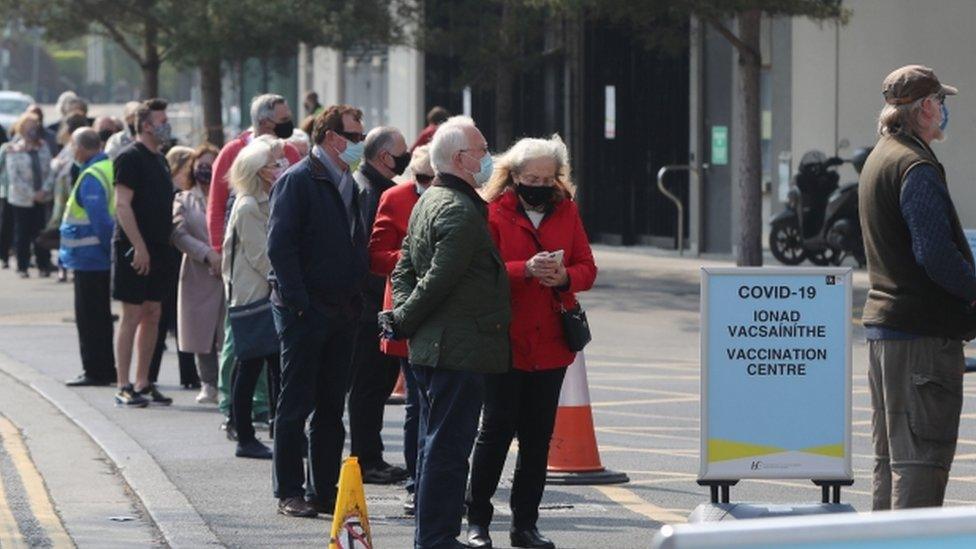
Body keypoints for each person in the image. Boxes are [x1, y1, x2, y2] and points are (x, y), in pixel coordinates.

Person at [465, 135, 596, 549]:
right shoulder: (492, 213)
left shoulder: (567, 210)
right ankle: (478, 522)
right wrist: (525, 269)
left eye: (547, 177)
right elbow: (480, 274)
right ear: (514, 175)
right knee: (495, 433)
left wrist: (566, 277)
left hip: (552, 345)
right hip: (504, 342)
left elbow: (587, 267)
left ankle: (525, 525)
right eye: (530, 176)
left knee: (538, 441)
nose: (539, 184)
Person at [388, 115, 511, 548]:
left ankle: (431, 535)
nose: (488, 158)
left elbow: (403, 269)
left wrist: (404, 315)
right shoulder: (458, 210)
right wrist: (404, 318)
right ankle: (437, 538)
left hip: (435, 347)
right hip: (455, 350)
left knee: (432, 445)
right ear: (461, 158)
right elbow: (435, 279)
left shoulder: (430, 198)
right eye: (482, 150)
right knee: (447, 450)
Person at [860, 65, 976, 510]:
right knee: (920, 465)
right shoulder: (916, 166)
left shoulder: (880, 157)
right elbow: (936, 254)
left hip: (887, 334)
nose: (944, 111)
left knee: (890, 462)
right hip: (921, 341)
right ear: (925, 108)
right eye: (941, 103)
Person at [267, 103, 368, 518]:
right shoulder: (298, 180)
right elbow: (280, 247)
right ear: (332, 137)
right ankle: (289, 490)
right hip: (306, 311)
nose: (360, 145)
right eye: (356, 137)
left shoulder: (350, 181)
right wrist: (300, 304)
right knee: (295, 404)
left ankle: (324, 490)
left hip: (342, 310)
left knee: (330, 406)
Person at [368, 144, 435, 515]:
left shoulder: (464, 198)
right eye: (421, 178)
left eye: (433, 177)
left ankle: (438, 478)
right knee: (417, 404)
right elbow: (377, 257)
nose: (427, 184)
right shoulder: (394, 198)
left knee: (443, 404)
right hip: (409, 310)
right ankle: (416, 481)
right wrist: (414, 254)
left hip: (449, 315)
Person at [350, 126, 412, 485]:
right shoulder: (377, 193)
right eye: (401, 153)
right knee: (371, 385)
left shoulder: (365, 185)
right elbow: (372, 255)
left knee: (371, 385)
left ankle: (368, 456)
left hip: (368, 303)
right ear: (385, 157)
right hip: (373, 304)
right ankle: (367, 459)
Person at [111, 98, 177, 408]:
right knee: (132, 315)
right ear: (146, 125)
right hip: (133, 249)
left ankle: (143, 381)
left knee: (153, 313)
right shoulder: (129, 157)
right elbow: (122, 204)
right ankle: (123, 384)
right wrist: (138, 246)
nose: (166, 125)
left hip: (161, 249)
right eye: (162, 120)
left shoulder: (160, 160)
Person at [222, 139, 281, 460]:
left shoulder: (261, 200)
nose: (278, 169)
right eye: (272, 165)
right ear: (257, 172)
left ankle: (279, 429)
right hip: (254, 297)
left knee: (272, 366)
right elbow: (262, 256)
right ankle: (244, 435)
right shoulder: (248, 206)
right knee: (250, 366)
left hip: (262, 294)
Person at [60, 128, 118, 386]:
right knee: (101, 317)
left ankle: (95, 370)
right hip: (97, 258)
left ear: (82, 148)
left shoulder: (91, 175)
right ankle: (106, 367)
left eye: (73, 146)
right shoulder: (107, 167)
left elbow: (101, 222)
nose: (72, 151)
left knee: (90, 318)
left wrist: (110, 252)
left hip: (91, 259)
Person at [172, 144, 224, 404]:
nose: (204, 168)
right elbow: (178, 233)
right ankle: (208, 383)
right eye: (199, 163)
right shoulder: (183, 199)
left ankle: (227, 383)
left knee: (226, 331)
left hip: (225, 271)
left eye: (210, 163)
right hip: (198, 270)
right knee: (201, 330)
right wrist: (206, 253)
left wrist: (222, 255)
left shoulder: (229, 196)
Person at [155, 146, 199, 390]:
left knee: (184, 322)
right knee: (161, 322)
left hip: (183, 265)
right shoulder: (172, 195)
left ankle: (190, 374)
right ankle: (149, 376)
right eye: (188, 169)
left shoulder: (188, 194)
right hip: (169, 264)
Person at [0, 112, 54, 278]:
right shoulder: (13, 149)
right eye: (28, 126)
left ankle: (43, 264)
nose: (32, 129)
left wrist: (44, 190)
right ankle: (22, 265)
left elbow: (50, 169)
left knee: (40, 231)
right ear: (21, 128)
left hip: (42, 196)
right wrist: (31, 194)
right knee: (22, 232)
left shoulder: (43, 146)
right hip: (22, 199)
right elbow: (14, 177)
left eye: (34, 126)